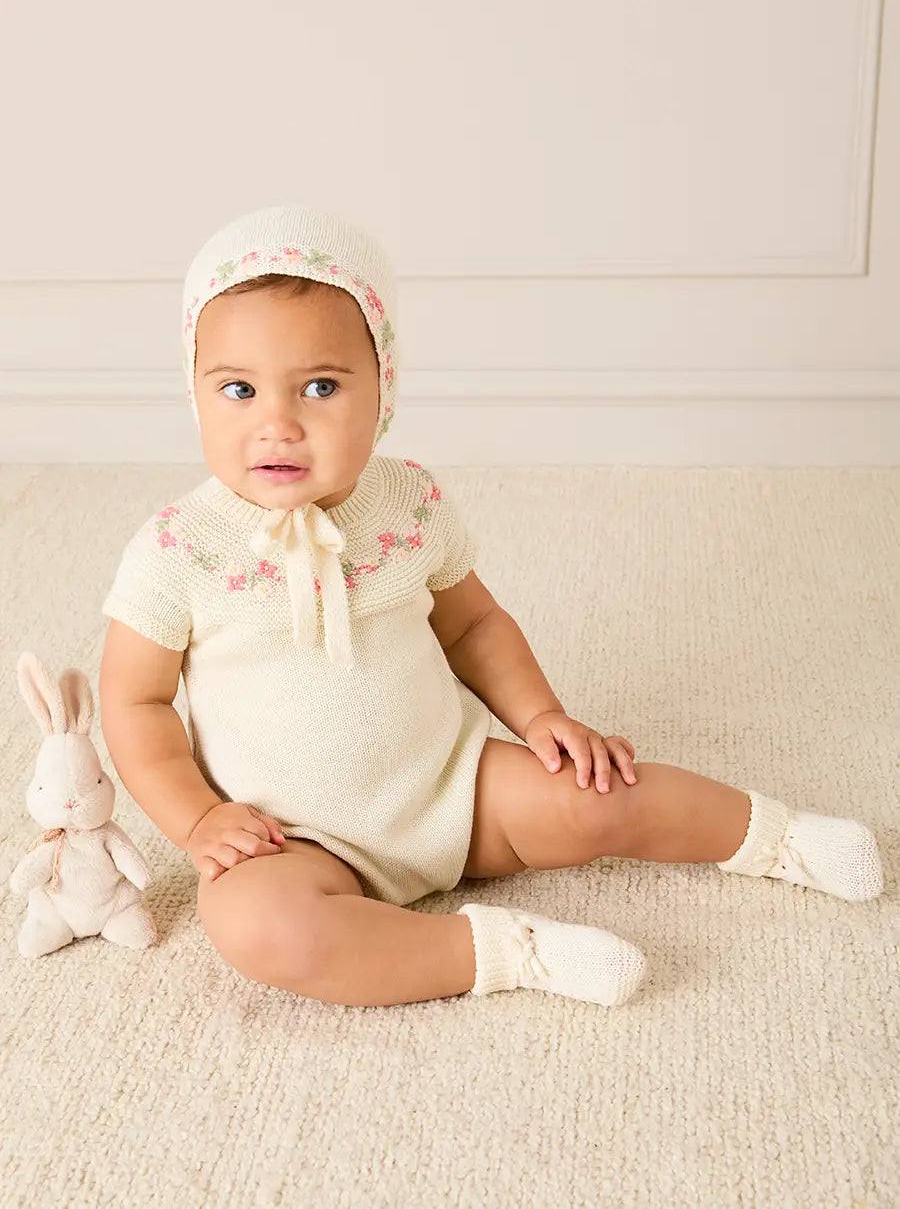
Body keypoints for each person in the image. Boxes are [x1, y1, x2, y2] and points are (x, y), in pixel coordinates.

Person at [99, 203, 884, 1010]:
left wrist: (542, 717)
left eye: (321, 387)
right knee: (261, 928)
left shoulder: (407, 501)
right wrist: (197, 820)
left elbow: (473, 625)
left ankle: (776, 838)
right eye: (239, 389)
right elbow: (135, 701)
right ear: (196, 395)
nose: (278, 425)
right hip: (289, 837)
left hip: (456, 789)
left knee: (597, 792)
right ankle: (510, 953)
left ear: (383, 390)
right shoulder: (179, 547)